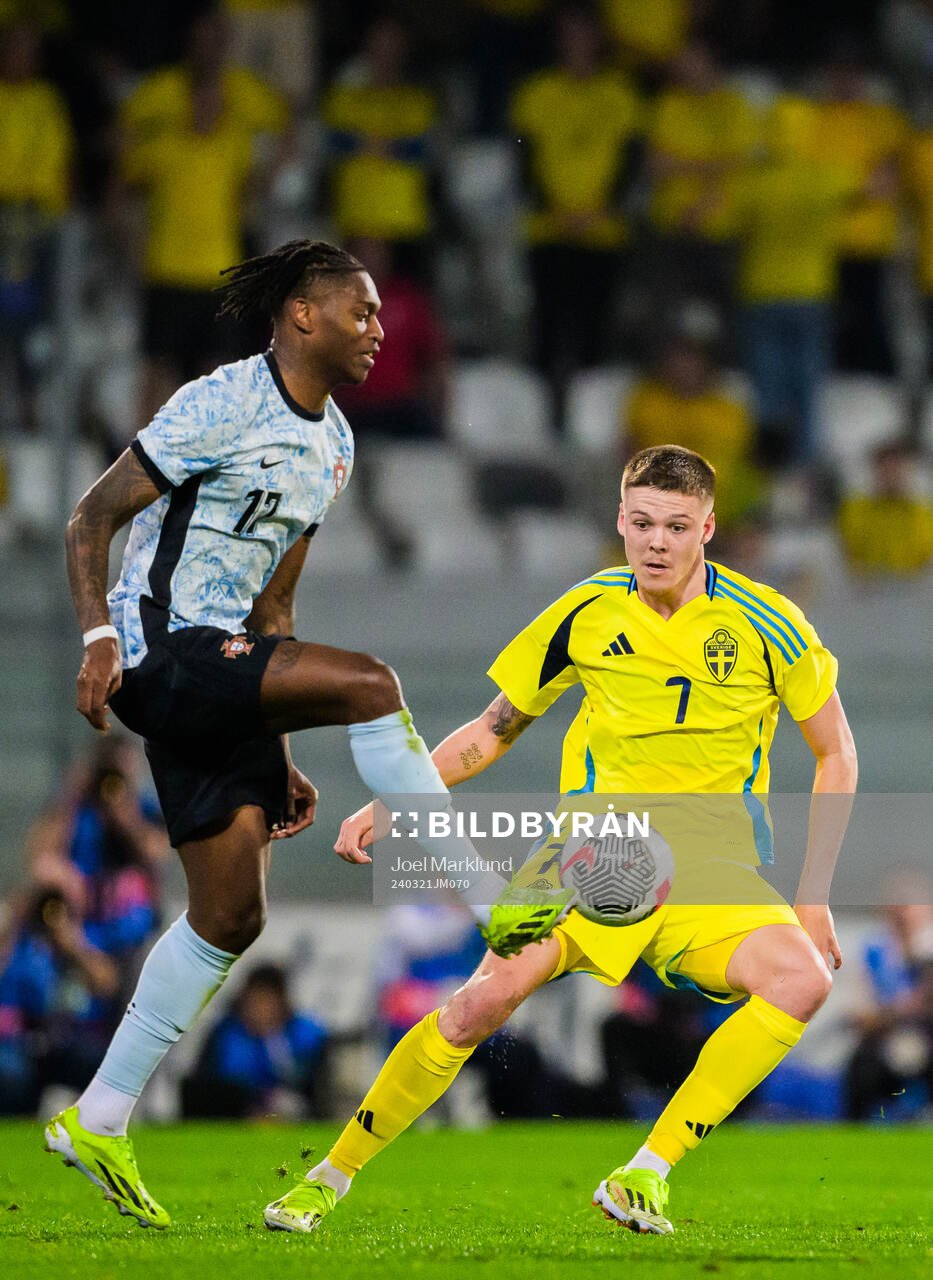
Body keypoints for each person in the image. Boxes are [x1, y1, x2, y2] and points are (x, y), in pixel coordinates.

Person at [263, 443, 857, 1237]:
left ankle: (645, 1172)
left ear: (707, 528)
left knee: (800, 979)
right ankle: (326, 1179)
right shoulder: (586, 610)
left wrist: (812, 897)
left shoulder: (767, 622)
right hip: (591, 855)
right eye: (641, 523)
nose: (655, 542)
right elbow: (492, 729)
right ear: (619, 520)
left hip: (710, 869)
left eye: (675, 526)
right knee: (480, 1004)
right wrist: (399, 798)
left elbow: (835, 751)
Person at [45, 238, 504, 1230]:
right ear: (302, 313)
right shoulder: (221, 401)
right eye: (361, 311)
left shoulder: (334, 443)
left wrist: (281, 744)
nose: (378, 331)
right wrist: (94, 637)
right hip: (158, 649)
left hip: (222, 669)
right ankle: (481, 891)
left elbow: (276, 610)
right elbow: (89, 519)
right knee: (373, 685)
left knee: (231, 913)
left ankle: (99, 1115)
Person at [182, 962, 329, 1119]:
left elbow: (315, 1084)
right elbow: (207, 1084)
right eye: (255, 1001)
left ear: (282, 1002)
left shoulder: (305, 1034)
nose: (260, 1009)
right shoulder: (225, 1034)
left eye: (267, 1002)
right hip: (237, 1116)